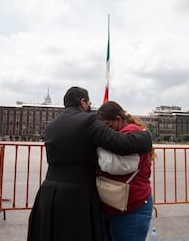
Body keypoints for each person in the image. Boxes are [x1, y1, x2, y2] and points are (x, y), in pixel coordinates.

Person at [27, 87, 152, 241]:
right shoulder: (88, 121)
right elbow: (120, 143)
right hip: (77, 193)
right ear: (83, 102)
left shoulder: (52, 125)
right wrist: (145, 136)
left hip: (49, 191)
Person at [96, 101, 156, 241]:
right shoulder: (123, 132)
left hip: (132, 207)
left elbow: (115, 166)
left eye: (107, 126)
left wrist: (97, 145)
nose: (104, 131)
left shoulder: (131, 133)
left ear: (118, 119)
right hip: (114, 205)